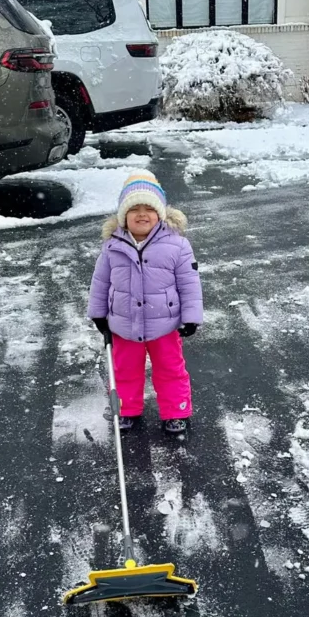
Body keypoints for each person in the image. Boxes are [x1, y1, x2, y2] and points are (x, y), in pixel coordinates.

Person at [87, 170, 203, 434]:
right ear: (123, 217)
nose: (142, 214)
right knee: (124, 370)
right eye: (134, 209)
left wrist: (191, 317)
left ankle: (176, 411)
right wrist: (98, 314)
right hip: (123, 325)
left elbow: (189, 283)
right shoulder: (112, 245)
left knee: (170, 370)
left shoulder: (177, 245)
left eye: (148, 209)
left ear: (160, 214)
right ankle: (126, 410)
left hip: (165, 325)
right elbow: (101, 281)